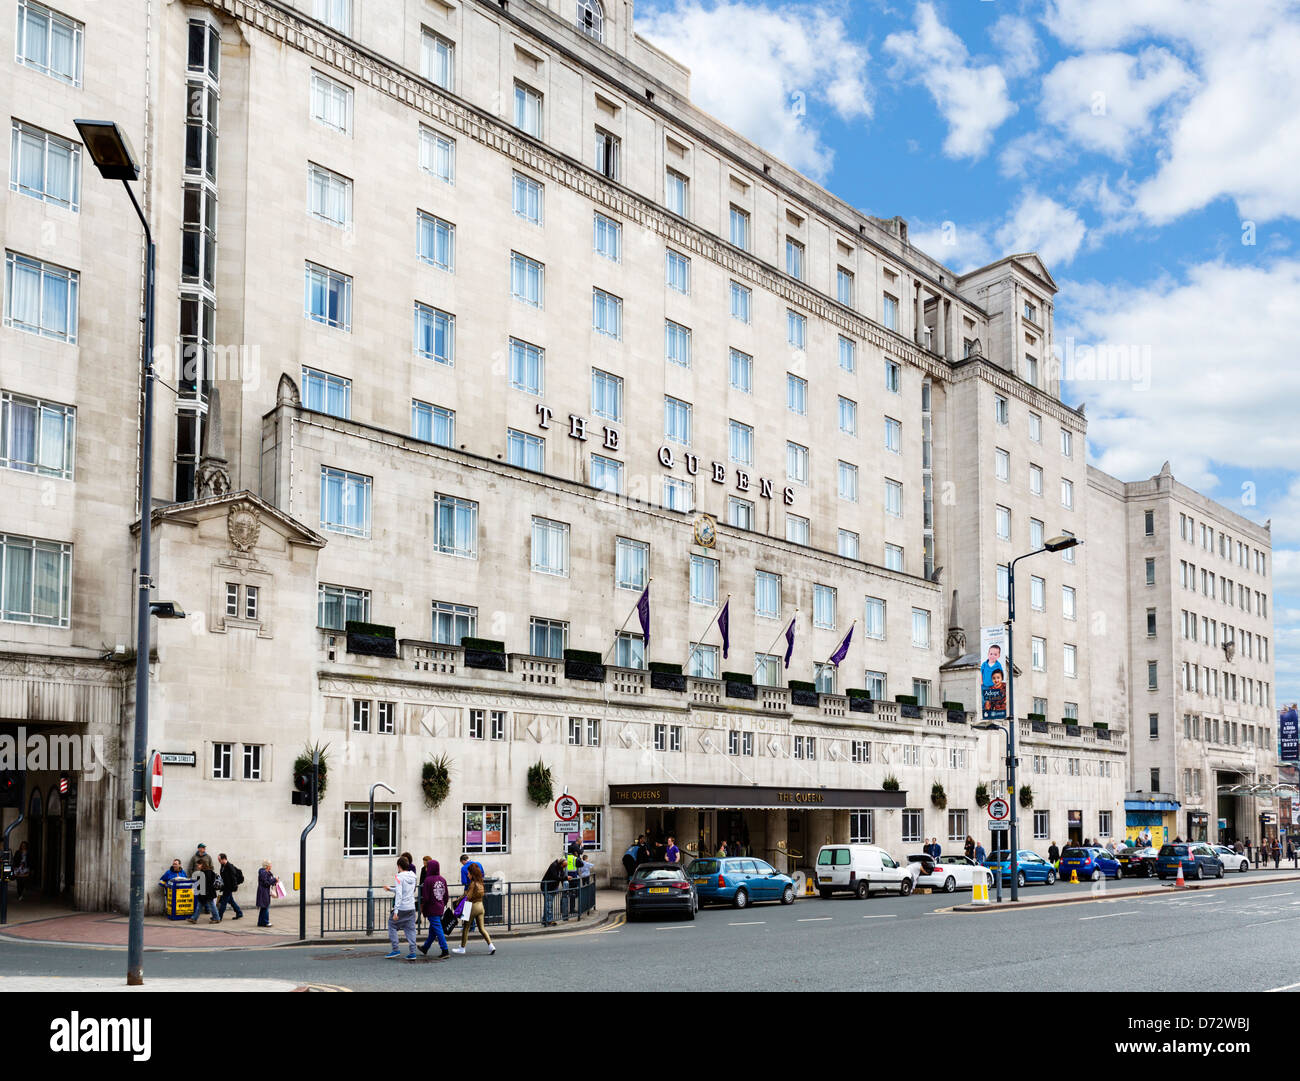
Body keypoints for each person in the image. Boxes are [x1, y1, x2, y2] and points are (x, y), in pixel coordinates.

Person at [452, 862, 495, 956]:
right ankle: (491, 945)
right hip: (480, 906)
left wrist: (459, 901)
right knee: (482, 929)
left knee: (466, 928)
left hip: (470, 906)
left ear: (472, 874)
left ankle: (462, 948)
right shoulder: (480, 882)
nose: (467, 875)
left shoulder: (473, 884)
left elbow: (468, 896)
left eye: (468, 873)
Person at [383, 855, 419, 960]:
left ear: (399, 866)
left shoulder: (399, 877)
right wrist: (390, 889)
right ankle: (413, 952)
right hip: (411, 907)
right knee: (410, 929)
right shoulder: (413, 876)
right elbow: (405, 890)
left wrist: (395, 911)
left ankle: (395, 949)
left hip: (402, 907)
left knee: (392, 925)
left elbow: (399, 894)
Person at [418, 859, 450, 958]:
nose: (426, 869)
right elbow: (446, 896)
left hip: (431, 908)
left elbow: (426, 897)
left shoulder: (428, 880)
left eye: (428, 867)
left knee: (438, 929)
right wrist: (442, 904)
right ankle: (425, 947)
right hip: (440, 907)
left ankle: (445, 950)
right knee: (433, 930)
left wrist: (423, 908)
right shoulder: (443, 879)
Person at [189, 857, 220, 923]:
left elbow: (207, 883)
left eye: (198, 865)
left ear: (202, 864)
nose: (197, 866)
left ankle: (217, 918)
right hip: (204, 892)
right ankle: (194, 918)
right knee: (199, 905)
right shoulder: (203, 872)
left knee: (211, 906)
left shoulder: (207, 872)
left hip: (207, 893)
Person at [541, 854, 567, 927]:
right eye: (564, 866)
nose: (564, 868)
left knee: (548, 904)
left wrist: (564, 880)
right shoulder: (553, 866)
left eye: (565, 866)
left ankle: (544, 920)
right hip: (547, 887)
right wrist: (565, 878)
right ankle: (549, 921)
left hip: (553, 887)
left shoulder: (560, 867)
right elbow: (555, 877)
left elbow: (562, 875)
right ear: (560, 863)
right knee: (549, 904)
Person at [216, 852, 244, 920]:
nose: (219, 861)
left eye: (219, 860)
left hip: (229, 887)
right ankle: (239, 912)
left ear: (224, 859)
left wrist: (234, 887)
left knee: (223, 903)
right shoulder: (223, 866)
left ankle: (219, 917)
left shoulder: (229, 867)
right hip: (226, 887)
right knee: (231, 901)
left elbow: (233, 878)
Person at [256, 860, 278, 927]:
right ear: (267, 866)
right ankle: (265, 922)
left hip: (265, 891)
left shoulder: (266, 872)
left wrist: (274, 880)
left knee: (264, 907)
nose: (271, 866)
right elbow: (266, 883)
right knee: (266, 906)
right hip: (263, 891)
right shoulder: (264, 873)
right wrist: (274, 880)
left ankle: (260, 922)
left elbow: (268, 881)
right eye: (270, 865)